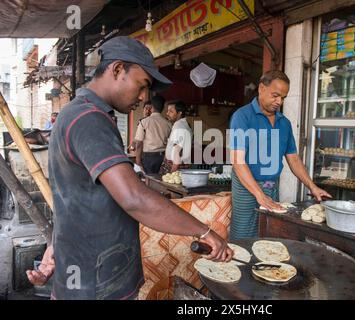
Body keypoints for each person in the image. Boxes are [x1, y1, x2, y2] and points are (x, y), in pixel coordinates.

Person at [26, 36, 232, 300]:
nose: (145, 97)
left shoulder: (77, 113)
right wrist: (205, 231)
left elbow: (74, 199)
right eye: (143, 84)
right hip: (97, 285)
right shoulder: (89, 119)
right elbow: (133, 199)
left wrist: (56, 244)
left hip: (85, 275)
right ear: (117, 69)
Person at [229, 70, 332, 240]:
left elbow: (293, 159)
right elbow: (238, 161)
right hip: (246, 188)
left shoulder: (284, 123)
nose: (279, 102)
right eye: (275, 95)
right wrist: (259, 195)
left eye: (283, 98)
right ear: (262, 88)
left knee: (268, 236)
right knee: (243, 236)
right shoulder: (242, 117)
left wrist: (312, 186)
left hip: (271, 187)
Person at [134, 95, 172, 173]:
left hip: (148, 158)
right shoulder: (168, 124)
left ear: (152, 107)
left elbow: (139, 144)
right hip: (163, 157)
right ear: (163, 108)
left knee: (148, 181)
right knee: (160, 181)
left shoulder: (144, 122)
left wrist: (138, 162)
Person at [160, 100, 193, 174]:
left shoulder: (179, 127)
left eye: (171, 111)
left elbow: (177, 152)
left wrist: (172, 173)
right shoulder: (182, 124)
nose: (167, 113)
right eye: (167, 111)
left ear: (179, 113)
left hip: (174, 167)